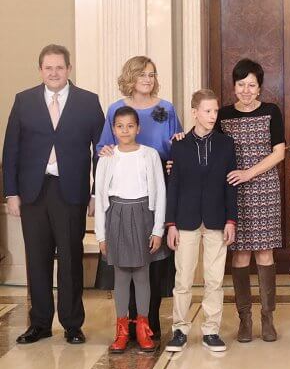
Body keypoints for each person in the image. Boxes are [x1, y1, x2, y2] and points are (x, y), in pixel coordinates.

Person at [2, 44, 104, 344]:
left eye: (60, 67)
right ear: (41, 70)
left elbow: (101, 152)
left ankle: (72, 324)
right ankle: (40, 323)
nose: (54, 73)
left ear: (69, 68)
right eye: (49, 68)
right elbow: (11, 150)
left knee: (71, 258)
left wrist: (96, 193)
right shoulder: (24, 101)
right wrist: (11, 193)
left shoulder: (88, 101)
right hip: (33, 192)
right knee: (37, 259)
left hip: (70, 191)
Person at [95, 56, 183, 340]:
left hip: (158, 183)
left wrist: (176, 162)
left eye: (151, 74)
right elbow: (104, 146)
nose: (147, 79)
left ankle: (149, 320)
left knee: (151, 259)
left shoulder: (166, 108)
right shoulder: (116, 109)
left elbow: (179, 144)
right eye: (142, 74)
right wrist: (104, 151)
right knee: (125, 263)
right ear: (130, 77)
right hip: (125, 188)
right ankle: (127, 321)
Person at [164, 89, 237, 353]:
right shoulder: (179, 145)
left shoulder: (226, 144)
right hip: (185, 220)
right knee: (183, 279)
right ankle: (180, 330)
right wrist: (170, 224)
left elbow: (230, 185)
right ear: (194, 112)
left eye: (215, 111)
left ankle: (211, 331)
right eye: (207, 111)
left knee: (214, 279)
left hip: (217, 219)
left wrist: (231, 220)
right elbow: (173, 186)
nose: (212, 115)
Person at [218, 58, 285, 343]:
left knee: (265, 253)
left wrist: (249, 173)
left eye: (251, 85)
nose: (246, 90)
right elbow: (210, 147)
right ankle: (244, 320)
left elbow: (279, 152)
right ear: (234, 86)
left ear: (259, 88)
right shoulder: (223, 115)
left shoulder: (271, 111)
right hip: (234, 191)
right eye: (241, 84)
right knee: (240, 254)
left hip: (265, 188)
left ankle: (268, 319)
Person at [94, 106, 167, 353]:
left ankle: (143, 328)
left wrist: (158, 230)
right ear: (113, 129)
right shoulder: (107, 157)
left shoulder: (150, 155)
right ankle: (122, 330)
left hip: (143, 214)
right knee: (122, 275)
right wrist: (101, 235)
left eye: (130, 126)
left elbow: (160, 192)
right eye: (120, 126)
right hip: (116, 215)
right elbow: (100, 197)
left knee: (142, 274)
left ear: (138, 128)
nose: (125, 130)